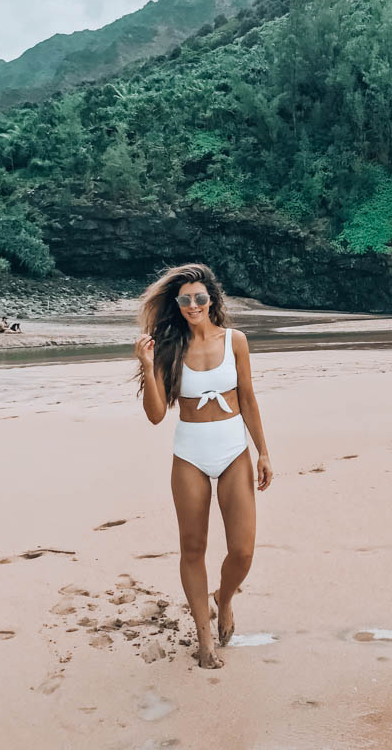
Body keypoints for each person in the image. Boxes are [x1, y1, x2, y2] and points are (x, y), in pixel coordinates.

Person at [134, 263, 273, 670]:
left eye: (199, 298)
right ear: (177, 305)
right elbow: (157, 415)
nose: (192, 305)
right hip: (190, 453)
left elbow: (247, 398)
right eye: (185, 300)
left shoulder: (236, 341)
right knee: (193, 548)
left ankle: (224, 600)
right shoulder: (168, 347)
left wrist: (263, 451)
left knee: (242, 551)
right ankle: (204, 639)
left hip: (233, 450)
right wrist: (147, 365)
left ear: (212, 300)